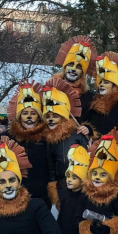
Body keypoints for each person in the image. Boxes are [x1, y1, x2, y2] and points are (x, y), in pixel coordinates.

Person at [41, 77, 88, 209]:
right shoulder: (49, 138)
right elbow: (51, 167)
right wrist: (54, 189)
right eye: (48, 116)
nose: (50, 120)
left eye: (55, 116)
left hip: (81, 184)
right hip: (62, 185)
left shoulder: (77, 133)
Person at [7, 82, 54, 206]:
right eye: (25, 113)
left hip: (40, 198)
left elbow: (52, 169)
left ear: (38, 117)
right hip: (13, 198)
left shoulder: (47, 139)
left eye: (33, 113)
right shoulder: (6, 138)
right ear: (19, 117)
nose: (29, 117)